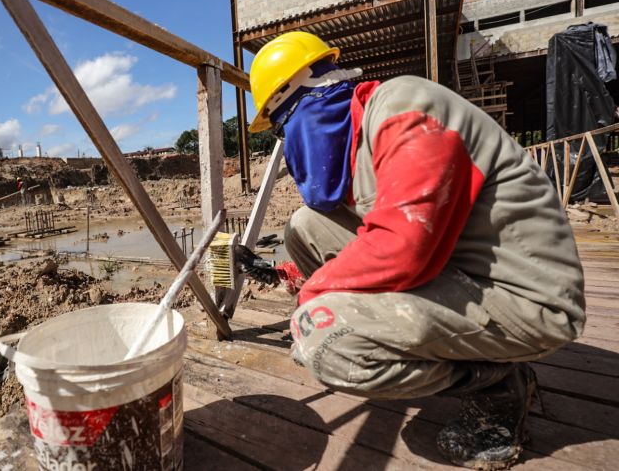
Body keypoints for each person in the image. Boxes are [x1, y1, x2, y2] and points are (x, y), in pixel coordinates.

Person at [248, 32, 585, 470]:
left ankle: (498, 385)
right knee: (305, 227)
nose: (285, 141)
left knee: (327, 342)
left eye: (280, 127)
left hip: (527, 297)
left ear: (307, 97)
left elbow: (402, 246)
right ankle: (466, 355)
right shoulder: (364, 136)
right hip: (458, 269)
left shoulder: (405, 109)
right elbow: (373, 234)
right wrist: (287, 275)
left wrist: (313, 303)